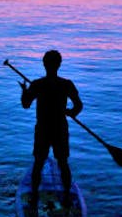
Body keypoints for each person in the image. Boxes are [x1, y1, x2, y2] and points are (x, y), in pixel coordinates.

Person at [20, 50, 83, 207]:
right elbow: (78, 106)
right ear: (59, 64)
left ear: (44, 64)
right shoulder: (66, 84)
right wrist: (70, 112)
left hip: (43, 129)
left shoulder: (37, 84)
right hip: (60, 128)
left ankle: (34, 197)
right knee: (63, 162)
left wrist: (24, 91)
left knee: (38, 162)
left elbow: (25, 105)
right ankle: (67, 197)